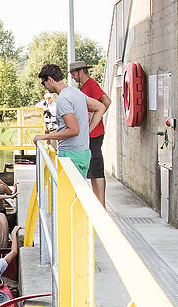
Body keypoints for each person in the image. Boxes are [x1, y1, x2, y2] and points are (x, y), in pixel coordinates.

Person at [33, 63, 107, 179]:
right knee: (78, 194)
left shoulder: (63, 99)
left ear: (50, 80)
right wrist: (87, 131)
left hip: (71, 155)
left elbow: (73, 130)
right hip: (84, 153)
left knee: (68, 195)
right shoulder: (76, 92)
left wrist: (45, 137)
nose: (44, 86)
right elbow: (101, 107)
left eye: (43, 83)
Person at [70, 61, 112, 207]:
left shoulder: (91, 85)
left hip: (94, 134)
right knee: (93, 170)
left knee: (97, 169)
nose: (73, 77)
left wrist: (93, 122)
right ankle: (98, 204)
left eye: (74, 73)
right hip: (90, 135)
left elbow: (106, 101)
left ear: (81, 71)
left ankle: (101, 206)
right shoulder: (84, 87)